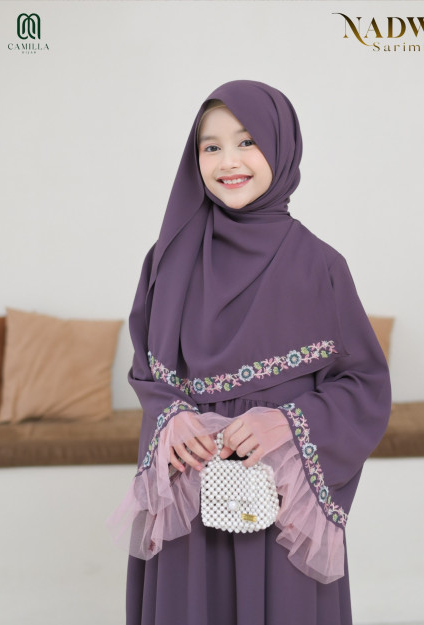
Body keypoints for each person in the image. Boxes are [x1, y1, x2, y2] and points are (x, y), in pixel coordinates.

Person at [106, 79, 391, 625]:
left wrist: (287, 423)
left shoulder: (321, 266)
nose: (228, 161)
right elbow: (147, 368)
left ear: (281, 148)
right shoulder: (167, 258)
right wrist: (170, 415)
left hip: (277, 502)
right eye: (210, 146)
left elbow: (365, 386)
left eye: (247, 141)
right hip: (188, 495)